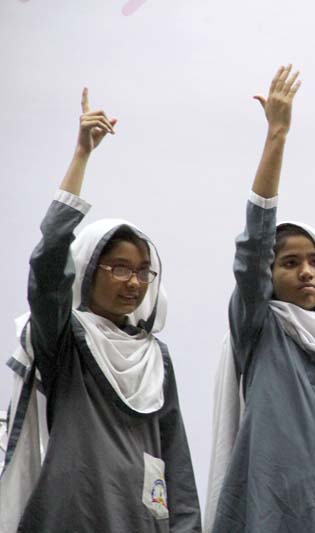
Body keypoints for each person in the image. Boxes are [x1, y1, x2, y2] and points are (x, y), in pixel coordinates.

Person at [0, 89, 201, 532]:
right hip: (75, 514)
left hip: (145, 519)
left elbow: (177, 463)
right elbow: (48, 263)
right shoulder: (66, 338)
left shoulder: (155, 355)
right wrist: (80, 156)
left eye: (144, 271)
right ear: (89, 272)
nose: (133, 282)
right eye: (120, 268)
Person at [206, 65, 315, 533]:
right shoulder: (259, 326)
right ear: (270, 274)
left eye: (314, 262)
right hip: (265, 506)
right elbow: (251, 249)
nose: (305, 271)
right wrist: (277, 136)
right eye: (289, 262)